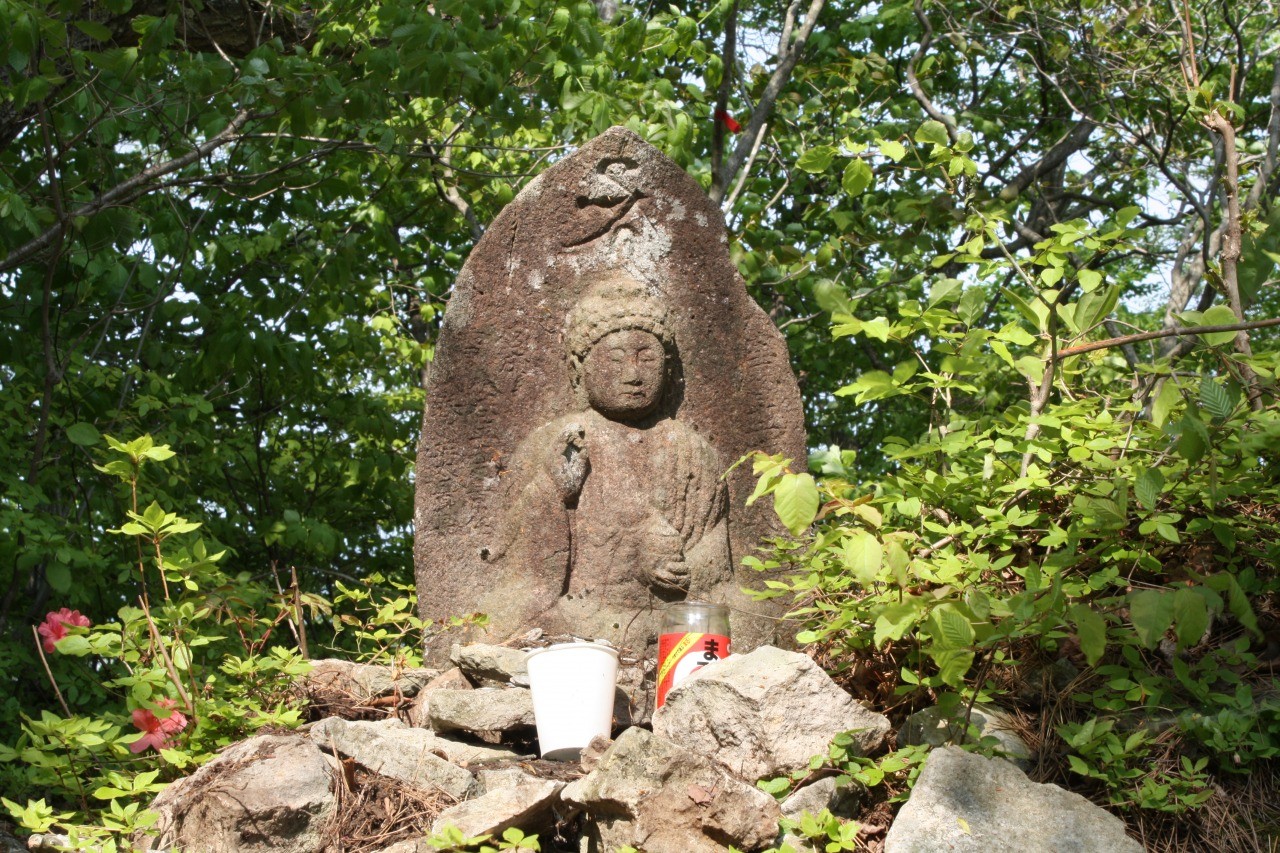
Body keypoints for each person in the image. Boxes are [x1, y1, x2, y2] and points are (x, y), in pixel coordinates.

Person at [489, 271, 733, 651]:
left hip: (671, 615)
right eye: (616, 359)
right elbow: (519, 566)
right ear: (578, 370)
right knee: (511, 620)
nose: (633, 374)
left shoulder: (693, 451)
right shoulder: (557, 442)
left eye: (646, 358)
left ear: (668, 369)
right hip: (579, 613)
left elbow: (717, 550)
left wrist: (682, 567)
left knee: (746, 613)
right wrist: (552, 492)